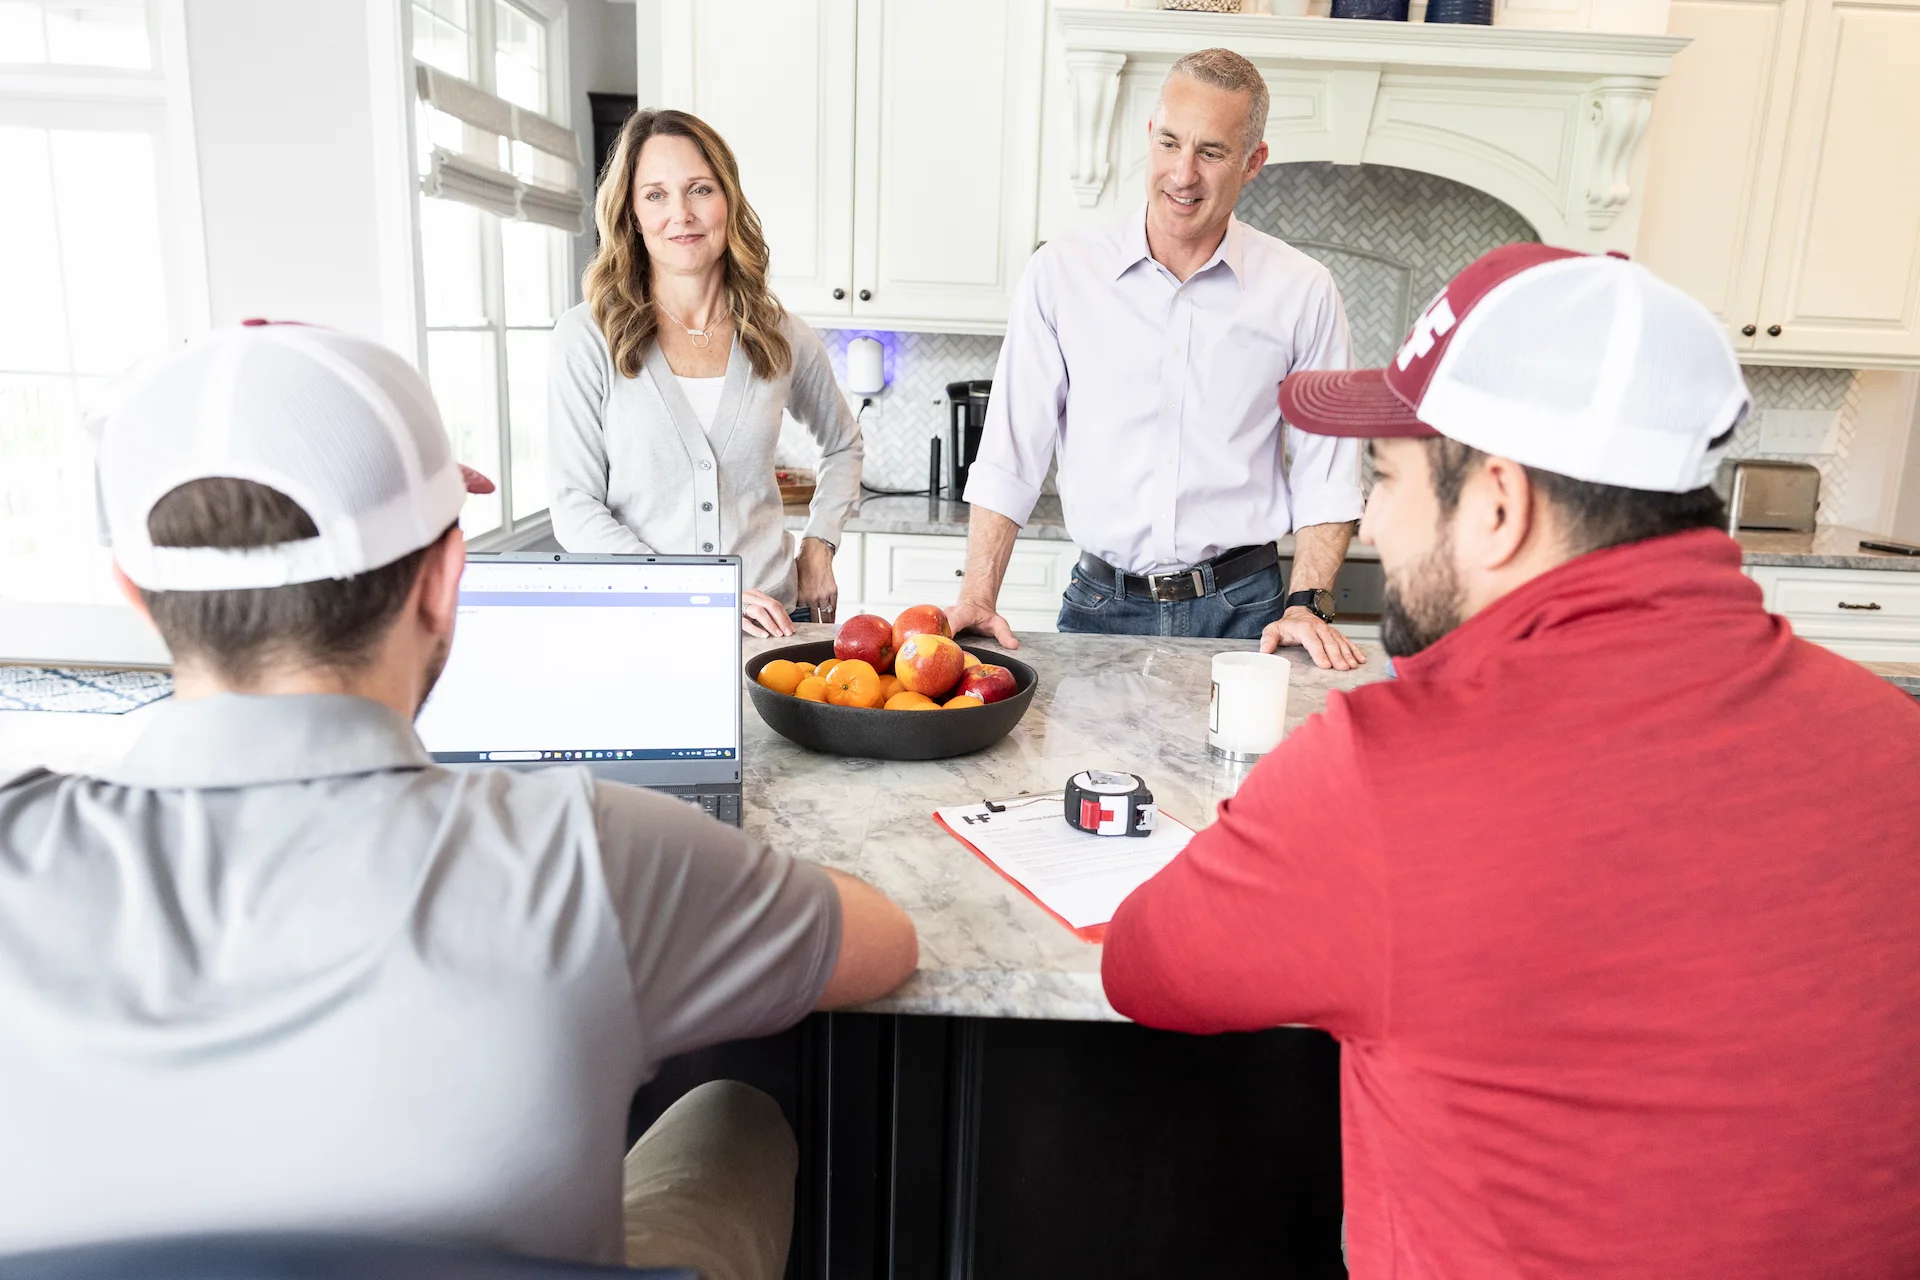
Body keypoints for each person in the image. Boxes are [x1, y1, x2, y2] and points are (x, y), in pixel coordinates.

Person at [0, 324, 918, 1280]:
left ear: (135, 594)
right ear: (445, 581)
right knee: (739, 1113)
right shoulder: (586, 850)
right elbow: (883, 943)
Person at [1101, 244, 1920, 1278]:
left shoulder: (1383, 779)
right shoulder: (1899, 739)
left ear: (1498, 504)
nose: (1376, 528)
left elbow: (1143, 965)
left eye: (1386, 479)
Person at [950, 48, 1364, 670]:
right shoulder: (1063, 273)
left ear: (1253, 162)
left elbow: (1327, 473)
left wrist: (1309, 605)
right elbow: (1012, 449)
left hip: (1248, 612)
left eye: (1212, 152)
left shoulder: (1303, 290)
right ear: (1150, 135)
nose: (1182, 173)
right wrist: (978, 595)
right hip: (1099, 605)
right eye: (1170, 143)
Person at [549, 108, 860, 639]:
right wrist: (694, 590)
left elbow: (843, 445)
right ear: (631, 212)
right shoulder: (586, 336)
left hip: (775, 626)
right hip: (647, 625)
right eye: (655, 195)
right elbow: (575, 507)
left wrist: (819, 543)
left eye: (699, 189)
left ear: (728, 200)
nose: (681, 214)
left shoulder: (781, 334)